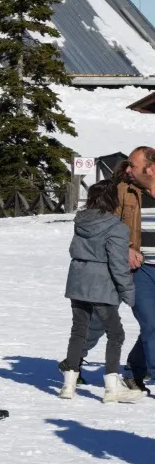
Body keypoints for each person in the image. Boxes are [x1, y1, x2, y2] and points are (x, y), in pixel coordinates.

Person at [59, 178, 137, 401]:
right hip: (102, 284)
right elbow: (119, 264)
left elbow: (73, 248)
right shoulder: (117, 227)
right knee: (116, 334)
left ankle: (68, 385)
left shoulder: (80, 221)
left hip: (77, 280)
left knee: (78, 331)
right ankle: (112, 387)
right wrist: (128, 292)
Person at [116, 149, 155, 394]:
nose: (128, 169)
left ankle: (134, 369)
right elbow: (107, 226)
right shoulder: (125, 192)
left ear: (150, 169)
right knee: (151, 323)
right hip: (140, 271)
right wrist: (127, 248)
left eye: (133, 165)